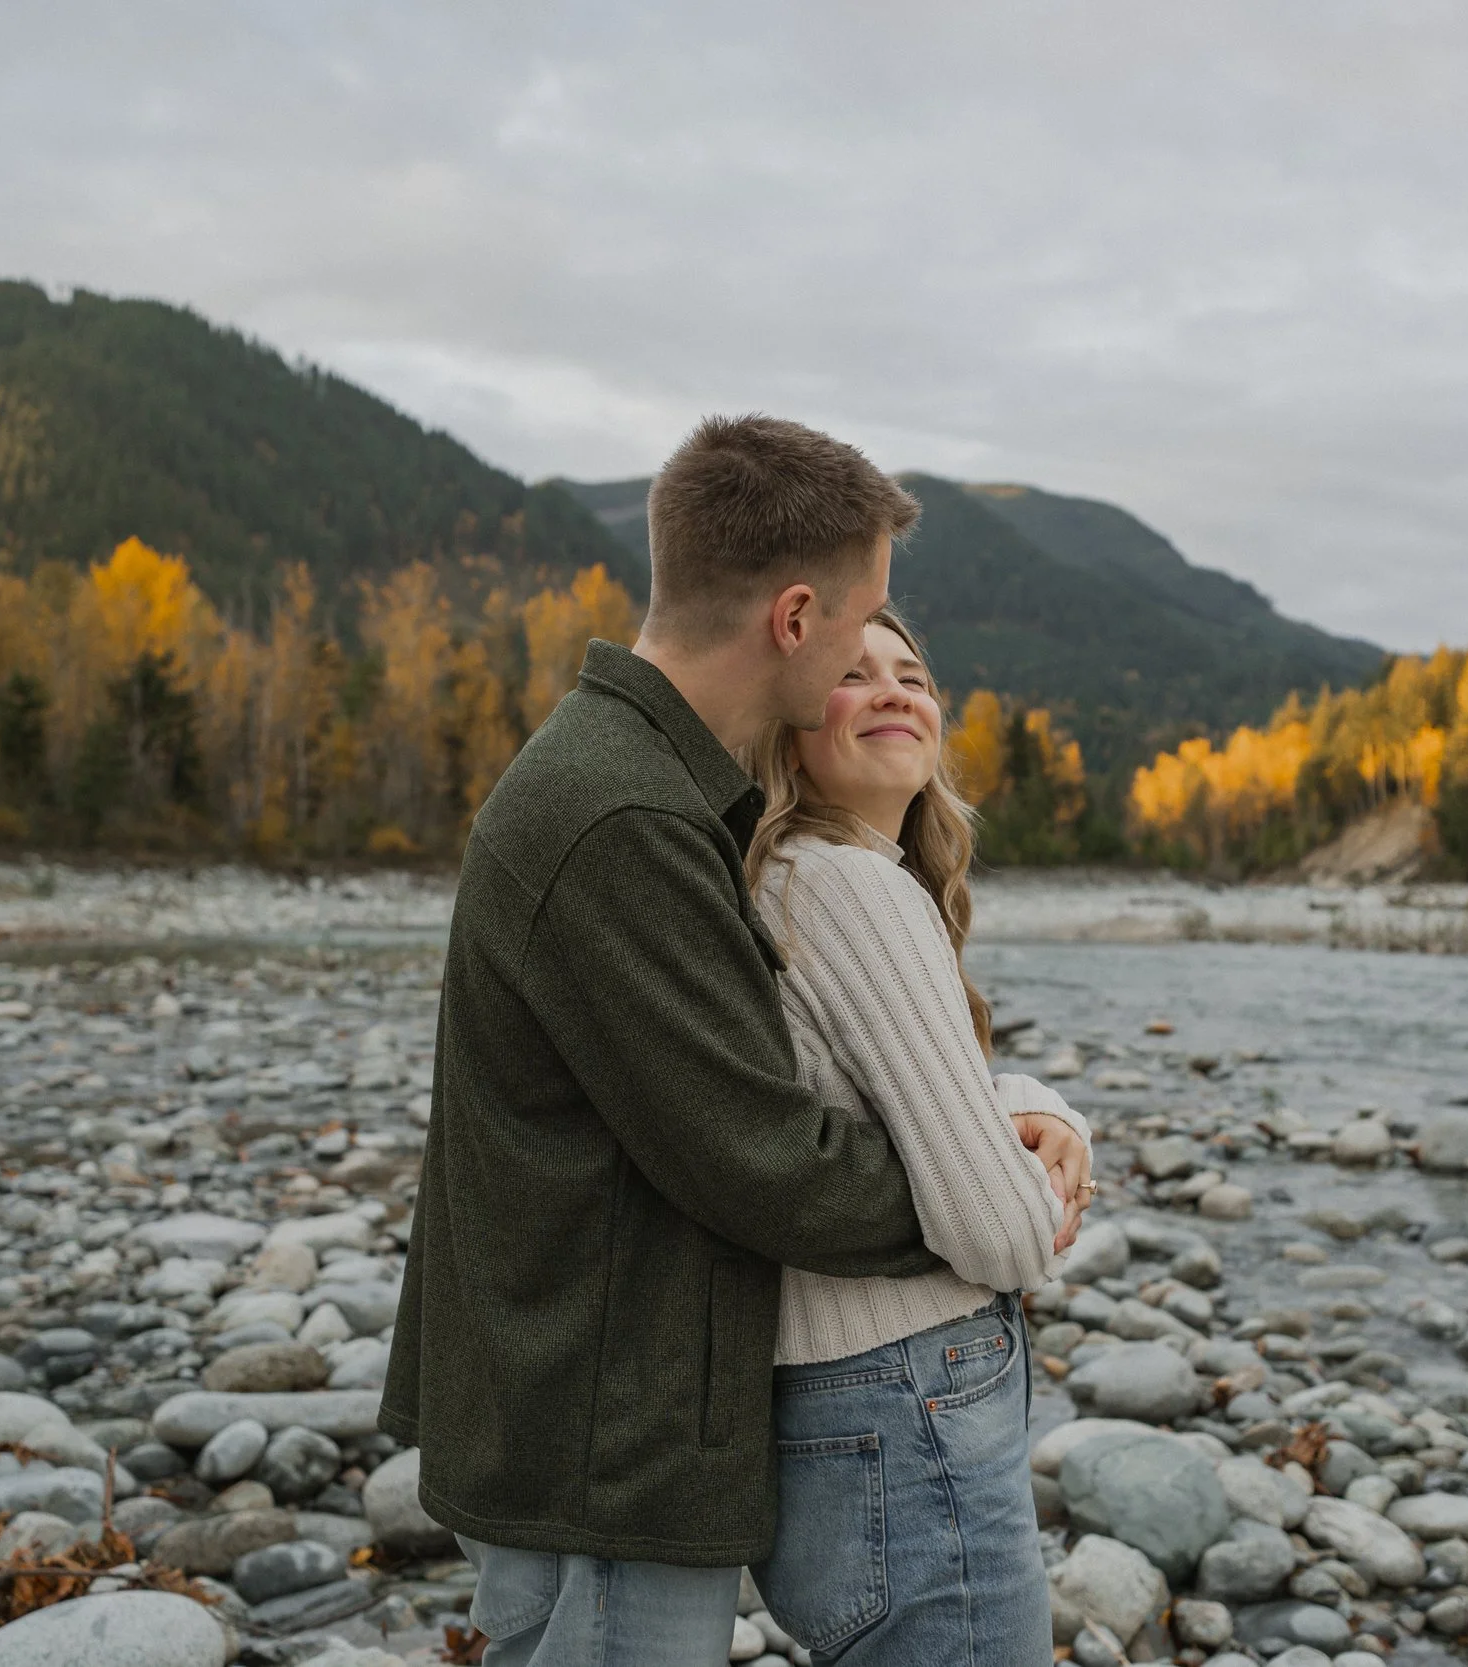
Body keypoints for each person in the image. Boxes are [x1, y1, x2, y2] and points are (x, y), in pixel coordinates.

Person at [383, 415, 1090, 1667]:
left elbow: (777, 1083)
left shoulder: (649, 785)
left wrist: (995, 1111)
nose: (877, 664)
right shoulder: (621, 817)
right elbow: (764, 1156)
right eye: (865, 617)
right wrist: (989, 1187)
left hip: (605, 1401)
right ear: (798, 614)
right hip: (600, 1426)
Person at [740, 605, 1093, 1666]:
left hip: (844, 1400)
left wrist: (1039, 1104)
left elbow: (902, 1105)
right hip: (907, 1395)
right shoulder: (850, 883)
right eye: (851, 674)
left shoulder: (795, 877)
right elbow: (1000, 1233)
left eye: (912, 672)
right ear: (788, 724)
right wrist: (1044, 1194)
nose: (896, 689)